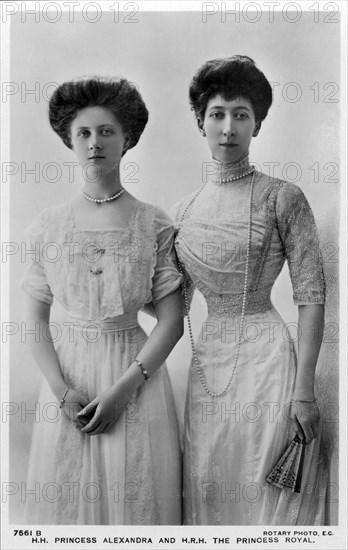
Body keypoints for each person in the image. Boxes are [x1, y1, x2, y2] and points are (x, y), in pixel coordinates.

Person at [171, 55, 329, 525]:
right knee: (207, 478)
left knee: (263, 481)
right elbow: (168, 310)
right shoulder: (182, 212)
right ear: (201, 122)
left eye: (241, 115)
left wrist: (304, 391)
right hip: (208, 367)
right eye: (217, 114)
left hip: (268, 360)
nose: (228, 127)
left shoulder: (283, 196)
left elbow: (311, 296)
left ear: (257, 124)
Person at [21, 76, 183, 524]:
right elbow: (33, 319)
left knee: (137, 500)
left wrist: (120, 393)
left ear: (127, 138)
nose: (95, 143)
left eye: (107, 131)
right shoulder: (48, 227)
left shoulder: (154, 224)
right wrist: (60, 390)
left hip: (135, 377)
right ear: (69, 140)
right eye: (84, 133)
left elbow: (171, 322)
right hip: (69, 380)